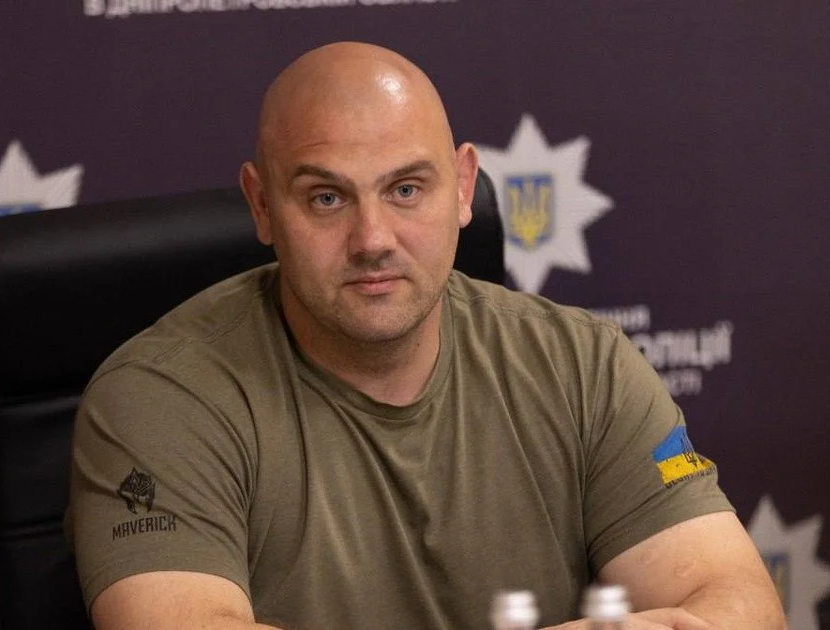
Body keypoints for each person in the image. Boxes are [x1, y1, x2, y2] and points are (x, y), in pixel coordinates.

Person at [67, 41, 785, 630]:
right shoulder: (162, 398)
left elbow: (740, 603)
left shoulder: (583, 365)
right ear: (261, 206)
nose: (373, 238)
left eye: (406, 189)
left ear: (464, 187)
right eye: (326, 198)